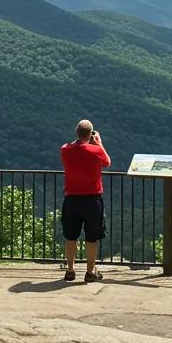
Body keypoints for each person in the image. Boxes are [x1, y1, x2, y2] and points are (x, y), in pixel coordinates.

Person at [59, 119, 110, 283]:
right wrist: (99, 143)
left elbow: (74, 148)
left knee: (70, 236)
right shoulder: (95, 150)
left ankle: (70, 270)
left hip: (71, 199)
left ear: (76, 132)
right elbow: (107, 162)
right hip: (92, 199)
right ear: (90, 134)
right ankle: (89, 272)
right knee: (92, 237)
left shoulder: (65, 150)